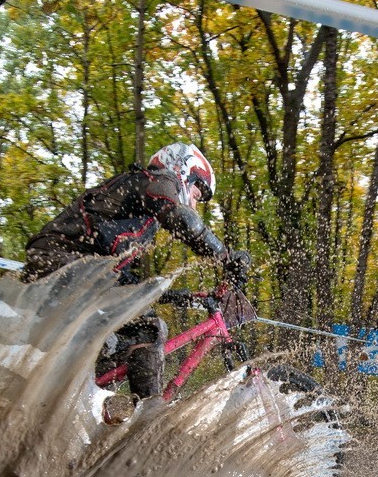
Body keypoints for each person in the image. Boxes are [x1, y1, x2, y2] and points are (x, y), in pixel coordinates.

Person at [23, 142, 251, 399]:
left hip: (74, 268)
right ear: (184, 171)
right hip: (63, 262)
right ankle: (148, 416)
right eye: (197, 196)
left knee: (134, 335)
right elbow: (183, 219)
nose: (195, 205)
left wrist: (176, 296)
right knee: (148, 329)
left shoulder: (141, 214)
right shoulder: (155, 181)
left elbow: (122, 278)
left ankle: (85, 402)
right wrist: (226, 256)